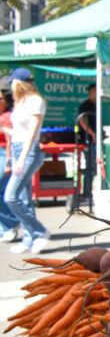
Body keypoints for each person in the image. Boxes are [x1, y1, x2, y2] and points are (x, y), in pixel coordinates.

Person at [3, 68, 50, 254]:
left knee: (10, 196)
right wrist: (8, 132)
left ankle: (39, 231)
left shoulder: (36, 101)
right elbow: (21, 132)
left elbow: (32, 133)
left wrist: (21, 158)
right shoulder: (20, 102)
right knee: (22, 197)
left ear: (18, 83)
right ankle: (30, 238)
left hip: (27, 151)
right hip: (17, 148)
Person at [0, 80, 21, 242]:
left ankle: (10, 225)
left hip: (3, 155)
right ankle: (5, 227)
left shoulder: (7, 117)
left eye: (0, 99)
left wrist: (8, 161)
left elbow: (9, 142)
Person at [76, 85, 97, 200]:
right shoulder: (85, 106)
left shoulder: (97, 105)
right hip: (87, 141)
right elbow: (82, 121)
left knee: (96, 167)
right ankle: (86, 193)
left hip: (96, 141)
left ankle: (91, 192)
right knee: (90, 167)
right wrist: (93, 134)